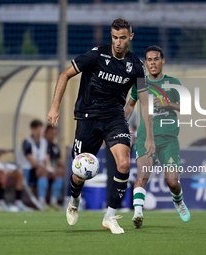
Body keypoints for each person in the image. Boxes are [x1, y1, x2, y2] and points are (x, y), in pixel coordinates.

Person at [48, 18, 155, 234]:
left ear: (130, 38)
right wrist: (54, 107)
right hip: (87, 118)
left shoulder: (136, 66)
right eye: (115, 37)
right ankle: (75, 199)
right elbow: (64, 75)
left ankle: (109, 217)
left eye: (122, 38)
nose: (118, 42)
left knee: (124, 163)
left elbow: (144, 101)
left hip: (115, 118)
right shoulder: (96, 55)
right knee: (79, 174)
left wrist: (149, 136)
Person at [124, 45, 190, 229]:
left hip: (168, 140)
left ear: (162, 61)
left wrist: (167, 103)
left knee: (172, 182)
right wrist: (122, 123)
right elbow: (130, 105)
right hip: (147, 138)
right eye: (149, 60)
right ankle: (138, 214)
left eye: (156, 59)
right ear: (145, 63)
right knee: (142, 176)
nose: (153, 63)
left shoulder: (173, 82)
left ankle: (178, 201)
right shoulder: (141, 83)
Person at [21, 119, 55, 210]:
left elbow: (46, 158)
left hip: (41, 169)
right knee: (43, 171)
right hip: (29, 170)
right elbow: (33, 162)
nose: (39, 132)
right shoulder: (27, 142)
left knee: (57, 173)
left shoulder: (44, 142)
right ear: (32, 130)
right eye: (37, 130)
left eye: (41, 129)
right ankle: (41, 200)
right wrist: (45, 168)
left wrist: (50, 168)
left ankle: (54, 201)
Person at [44, 124, 64, 210]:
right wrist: (52, 169)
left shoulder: (55, 147)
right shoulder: (43, 144)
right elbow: (45, 159)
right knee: (45, 172)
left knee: (61, 172)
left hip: (52, 169)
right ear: (46, 133)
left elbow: (59, 161)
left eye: (54, 134)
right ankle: (42, 202)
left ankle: (53, 201)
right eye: (51, 133)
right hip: (43, 168)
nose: (53, 136)